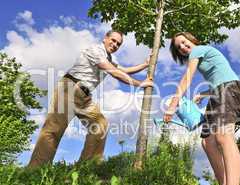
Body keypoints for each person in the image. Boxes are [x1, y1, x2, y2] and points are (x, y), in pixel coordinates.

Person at [28, 30, 153, 167]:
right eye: (113, 40)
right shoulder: (95, 50)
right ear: (105, 38)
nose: (115, 44)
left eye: (118, 44)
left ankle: (87, 167)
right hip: (69, 89)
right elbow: (114, 72)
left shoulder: (109, 58)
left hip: (85, 97)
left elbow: (124, 70)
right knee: (53, 129)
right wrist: (140, 84)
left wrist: (145, 64)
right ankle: (35, 170)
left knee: (100, 126)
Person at [164, 32, 240, 185]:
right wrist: (203, 94)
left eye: (184, 43)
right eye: (179, 48)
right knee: (208, 142)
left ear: (191, 40)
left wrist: (172, 105)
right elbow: (220, 77)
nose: (183, 48)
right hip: (218, 92)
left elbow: (187, 78)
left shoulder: (198, 50)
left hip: (229, 90)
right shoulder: (200, 55)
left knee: (223, 136)